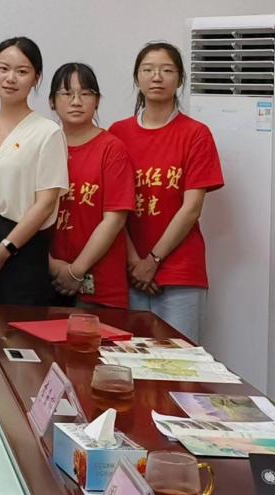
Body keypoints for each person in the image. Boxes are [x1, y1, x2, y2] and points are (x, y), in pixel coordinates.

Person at [109, 42, 223, 341]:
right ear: (137, 78)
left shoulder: (196, 134)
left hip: (180, 271)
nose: (156, 77)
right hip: (128, 272)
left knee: (179, 361)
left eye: (167, 70)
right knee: (128, 359)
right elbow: (113, 209)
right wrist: (135, 263)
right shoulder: (117, 134)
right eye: (148, 70)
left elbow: (191, 208)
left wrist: (153, 261)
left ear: (180, 79)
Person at [0, 37, 68, 306]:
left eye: (22, 71)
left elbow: (45, 204)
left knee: (17, 328)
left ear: (36, 78)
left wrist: (4, 250)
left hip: (22, 250)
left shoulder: (48, 132)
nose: (10, 78)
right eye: (3, 68)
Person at [47, 63, 134, 309]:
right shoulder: (43, 146)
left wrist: (76, 271)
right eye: (67, 93)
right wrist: (51, 264)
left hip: (100, 286)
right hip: (44, 279)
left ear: (97, 101)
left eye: (85, 93)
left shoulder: (112, 149)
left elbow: (114, 219)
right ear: (52, 102)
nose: (76, 101)